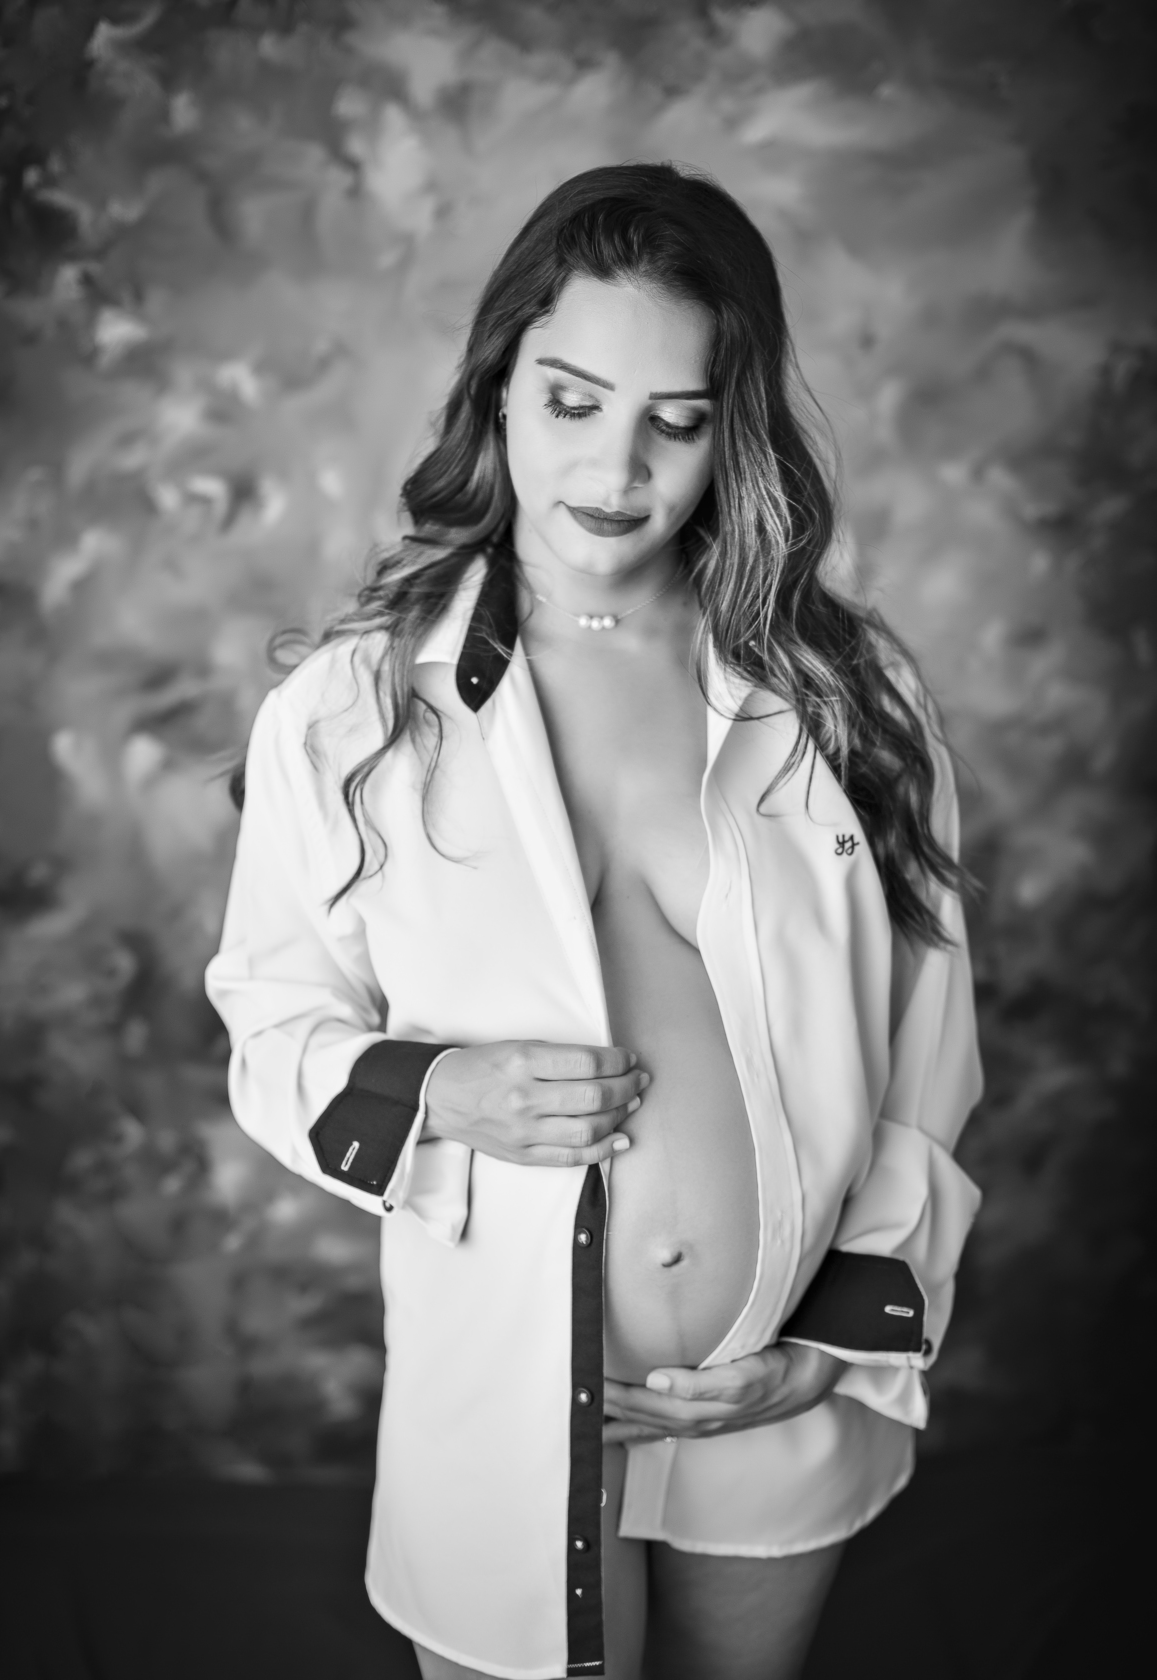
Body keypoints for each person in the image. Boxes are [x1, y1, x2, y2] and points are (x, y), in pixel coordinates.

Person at [205, 162, 983, 1680]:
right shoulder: (353, 710)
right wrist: (440, 1091)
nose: (616, 468)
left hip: (774, 1393)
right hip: (506, 1402)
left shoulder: (847, 701)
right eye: (572, 402)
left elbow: (926, 1053)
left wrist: (833, 1337)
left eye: (674, 422)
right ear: (499, 388)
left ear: (730, 432)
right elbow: (270, 1025)